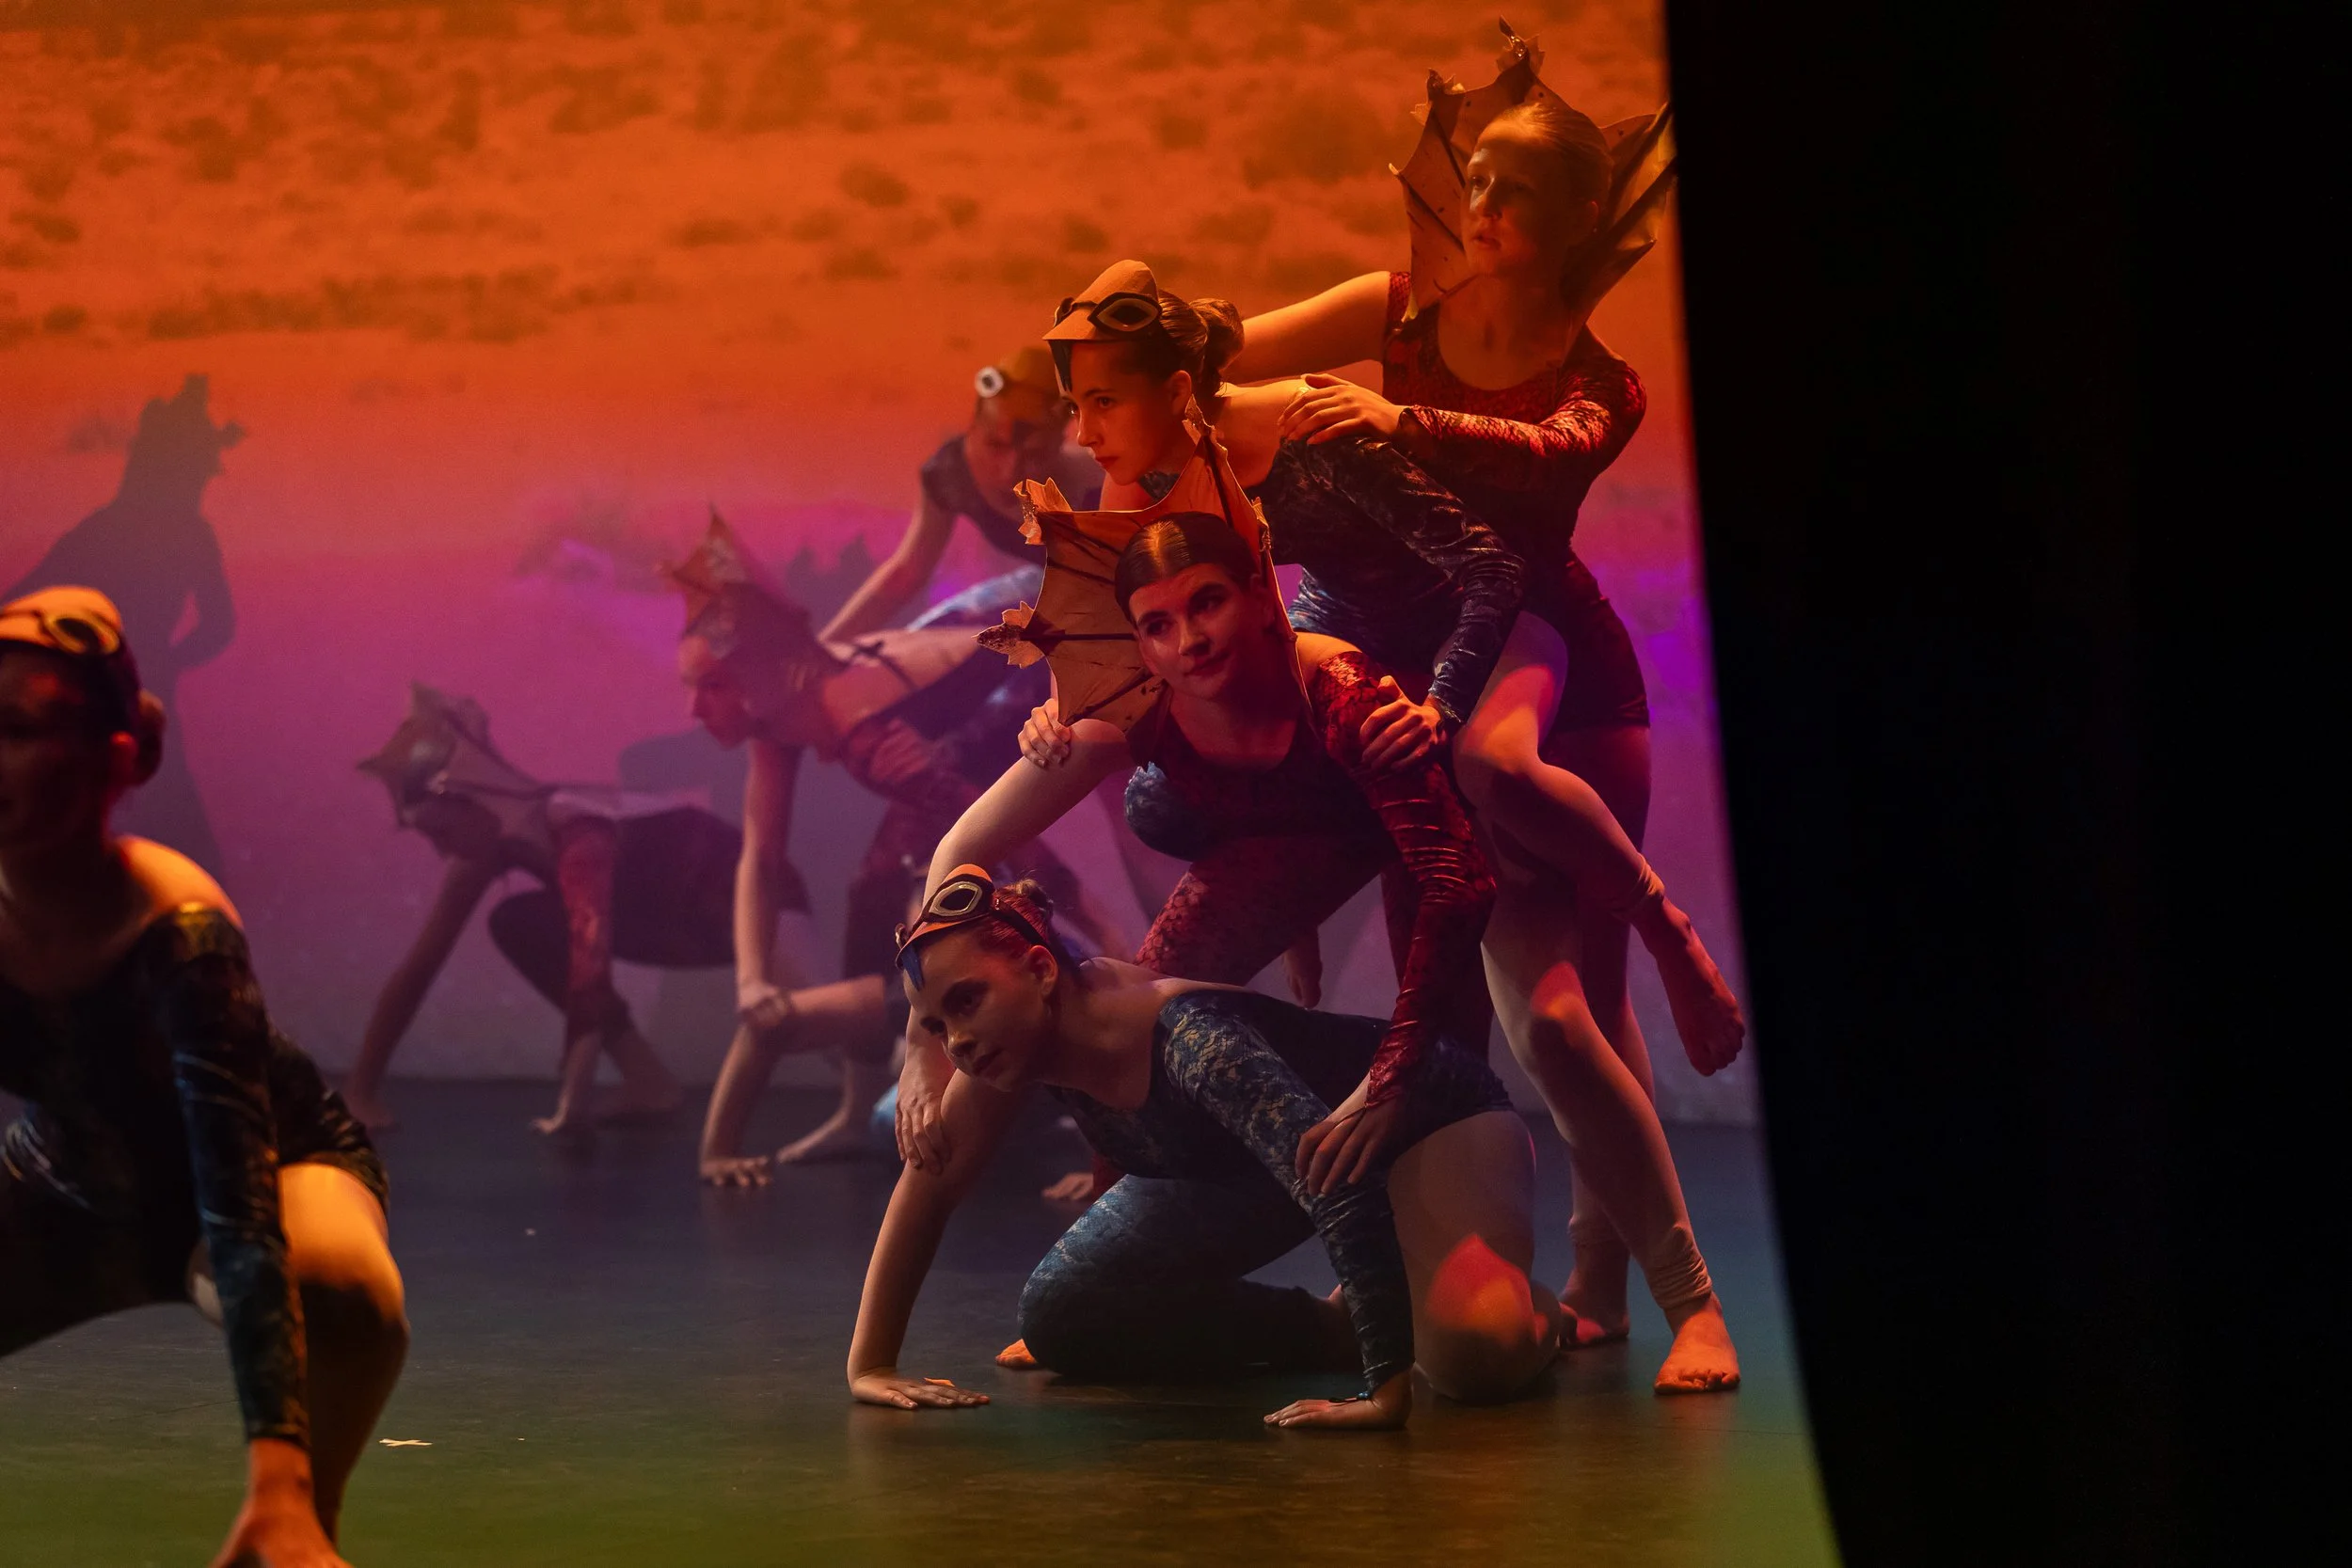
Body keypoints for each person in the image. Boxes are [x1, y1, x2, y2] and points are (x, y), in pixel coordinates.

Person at [982, 496, 1740, 1390]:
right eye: (1161, 625)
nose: (1187, 636)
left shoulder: (1321, 550)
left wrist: (1445, 701)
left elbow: (1456, 875)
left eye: (1208, 605)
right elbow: (1146, 756)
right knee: (1145, 997)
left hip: (1429, 764)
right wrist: (1050, 719)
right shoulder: (1151, 659)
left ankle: (1691, 1303)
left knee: (1553, 1030)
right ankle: (1121, 1272)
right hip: (1326, 817)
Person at [1225, 79, 1724, 1351]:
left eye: (1512, 192)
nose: (1482, 206)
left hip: (1554, 679)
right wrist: (1135, 335)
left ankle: (1619, 1282)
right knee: (1441, 999)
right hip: (1433, 668)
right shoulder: (1394, 310)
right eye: (1479, 182)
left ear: (1567, 225)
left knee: (1579, 1013)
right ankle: (1411, 1261)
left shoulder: (1602, 382)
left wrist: (1397, 418)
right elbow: (1232, 348)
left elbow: (1543, 458)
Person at [850, 867, 1560, 1430]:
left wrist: (1386, 1389)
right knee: (1066, 1315)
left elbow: (1337, 1184)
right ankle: (1330, 1324)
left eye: (967, 1002)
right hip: (1248, 1164)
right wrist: (871, 1366)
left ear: (1039, 969)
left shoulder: (1194, 1042)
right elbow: (928, 1187)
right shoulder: (1002, 1049)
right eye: (937, 1026)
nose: (957, 1041)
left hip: (1423, 1121)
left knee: (1476, 1360)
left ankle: (1533, 1307)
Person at [0, 589, 406, 1568]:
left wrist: (279, 1476)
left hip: (264, 1171)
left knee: (340, 1290)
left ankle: (300, 1528)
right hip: (78, 1180)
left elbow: (238, 1200)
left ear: (118, 759)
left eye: (19, 727)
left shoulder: (176, 932)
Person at [669, 515, 1120, 1184]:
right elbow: (760, 859)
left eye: (711, 686)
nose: (694, 710)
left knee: (977, 866)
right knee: (875, 884)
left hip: (1033, 640)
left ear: (760, 677)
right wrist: (751, 979)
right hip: (971, 652)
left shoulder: (875, 739)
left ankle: (1107, 1109)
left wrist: (1118, 951)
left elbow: (1020, 843)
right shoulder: (781, 716)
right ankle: (857, 1108)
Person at [344, 686, 876, 1162]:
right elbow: (420, 966)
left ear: (473, 806)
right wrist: (361, 1090)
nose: (443, 852)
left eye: (442, 833)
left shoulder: (577, 828)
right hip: (664, 924)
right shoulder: (483, 854)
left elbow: (590, 963)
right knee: (517, 921)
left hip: (744, 899)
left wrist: (572, 1102)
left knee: (829, 1035)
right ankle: (647, 1081)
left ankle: (924, 1085)